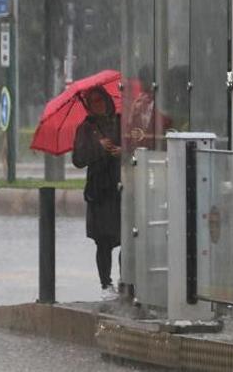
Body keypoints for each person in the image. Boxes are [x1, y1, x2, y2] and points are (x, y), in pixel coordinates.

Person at [72, 86, 122, 301]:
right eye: (93, 102)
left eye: (100, 100)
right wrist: (99, 147)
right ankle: (106, 283)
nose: (98, 105)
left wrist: (123, 150)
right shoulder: (86, 128)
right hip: (99, 192)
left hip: (121, 187)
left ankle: (126, 281)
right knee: (103, 241)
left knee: (127, 238)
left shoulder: (120, 122)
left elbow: (136, 144)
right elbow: (78, 159)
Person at [128, 66, 172, 150]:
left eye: (144, 79)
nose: (142, 83)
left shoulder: (163, 101)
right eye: (141, 79)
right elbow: (131, 129)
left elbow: (167, 125)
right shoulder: (137, 103)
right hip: (140, 151)